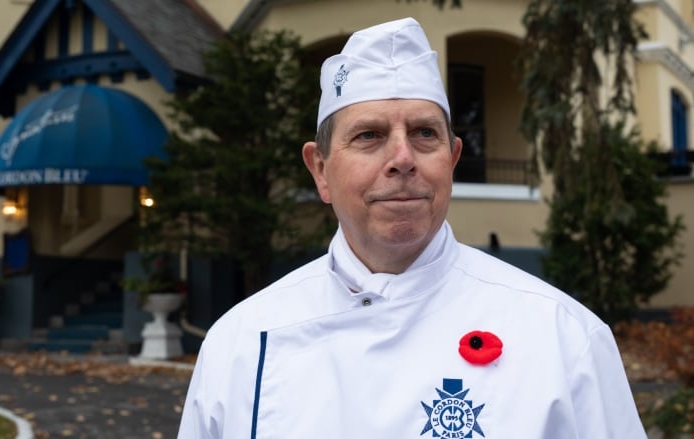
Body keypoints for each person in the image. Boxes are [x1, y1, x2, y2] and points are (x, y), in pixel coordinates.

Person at [178, 17, 646, 438]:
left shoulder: (564, 338)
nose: (402, 159)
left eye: (424, 133)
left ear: (453, 159)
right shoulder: (240, 344)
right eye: (369, 136)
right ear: (320, 170)